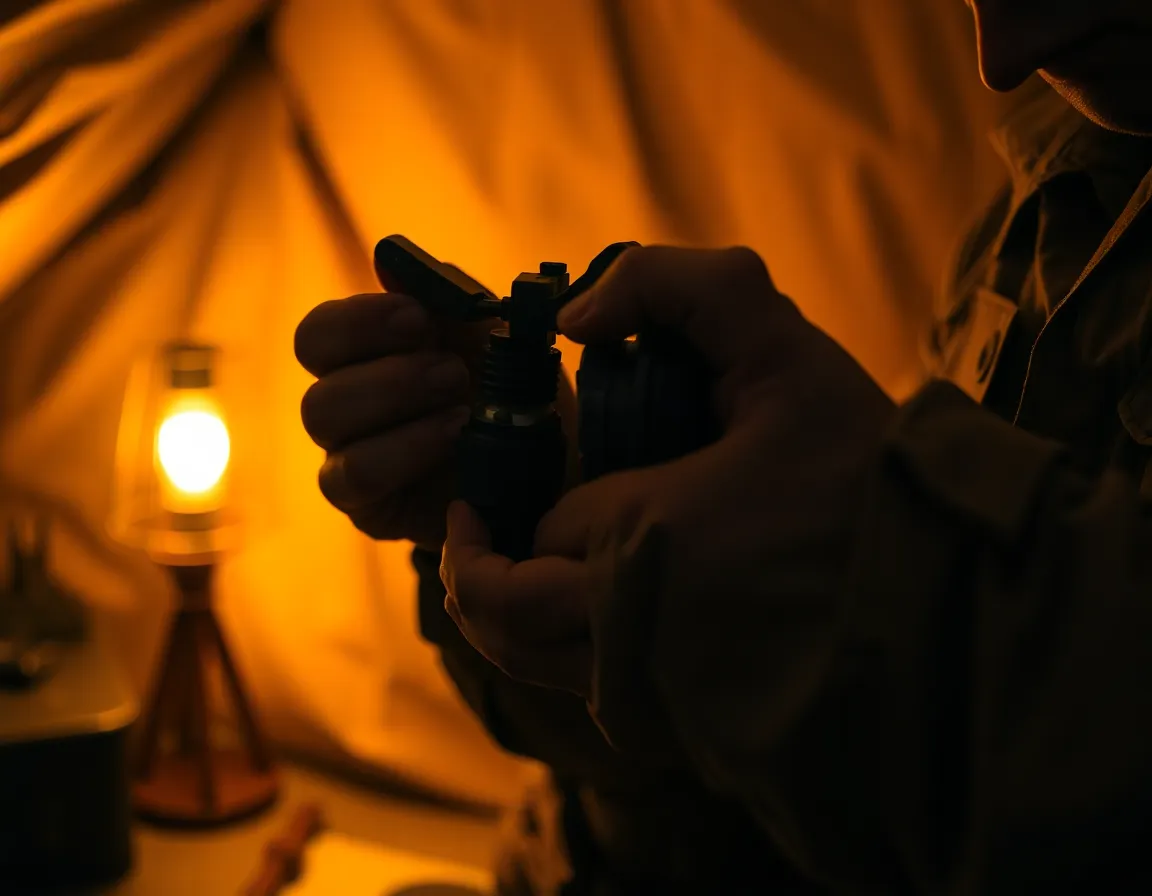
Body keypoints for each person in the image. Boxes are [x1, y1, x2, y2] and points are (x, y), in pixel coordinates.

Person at [294, 1, 1152, 892]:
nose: (1001, 60)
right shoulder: (1057, 187)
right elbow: (830, 814)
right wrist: (568, 528)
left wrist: (836, 571)